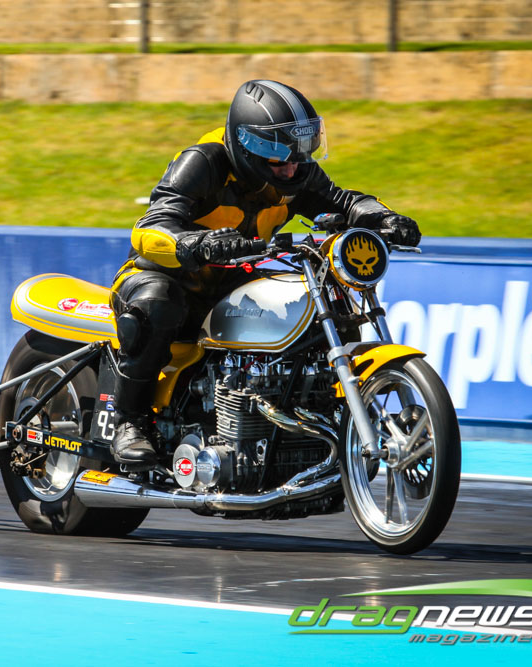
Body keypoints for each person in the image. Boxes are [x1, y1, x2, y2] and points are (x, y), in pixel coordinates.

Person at [109, 79, 421, 468]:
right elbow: (150, 227)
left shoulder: (293, 173)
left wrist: (383, 218)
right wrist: (197, 244)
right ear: (247, 145)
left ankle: (310, 421)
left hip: (233, 279)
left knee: (313, 303)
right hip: (166, 275)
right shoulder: (204, 162)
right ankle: (130, 422)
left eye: (299, 152)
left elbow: (342, 202)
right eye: (278, 154)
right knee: (159, 303)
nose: (291, 166)